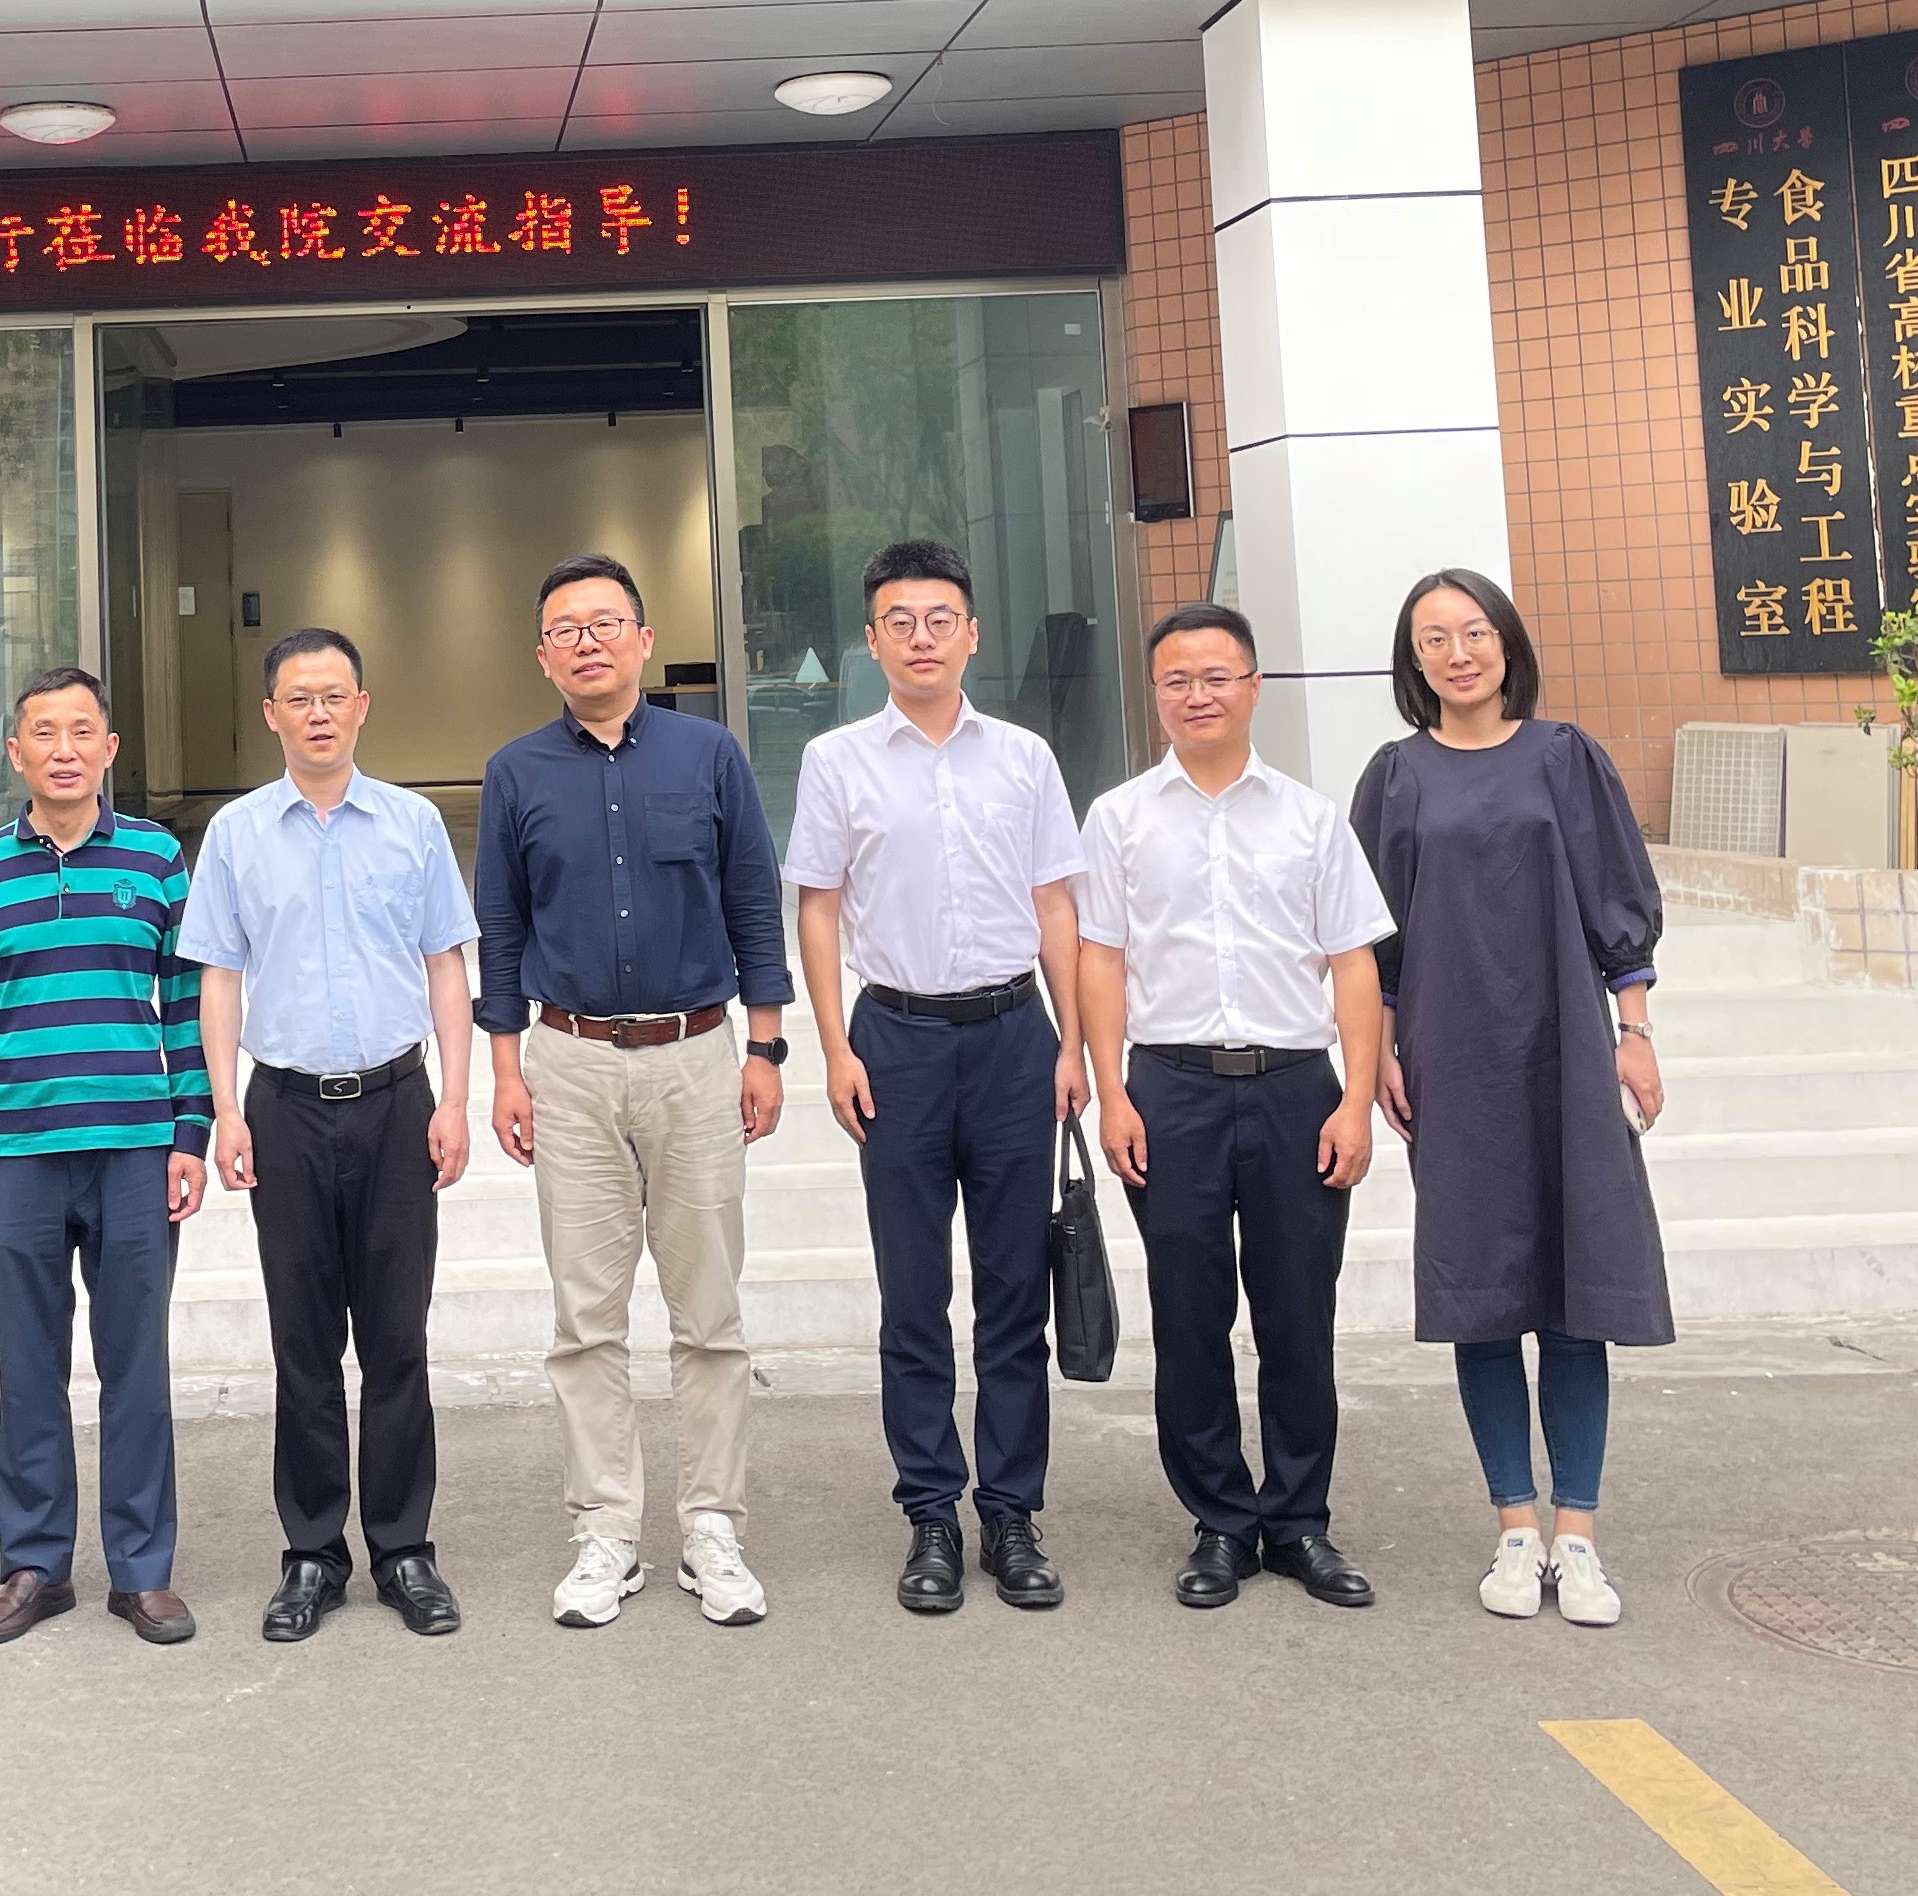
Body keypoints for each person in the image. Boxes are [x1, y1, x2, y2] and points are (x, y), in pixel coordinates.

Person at [1353, 567, 1672, 1632]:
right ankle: (1514, 1526)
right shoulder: (1395, 777)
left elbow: (1616, 903)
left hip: (1566, 1048)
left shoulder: (1564, 757)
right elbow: (1373, 938)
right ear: (1413, 661)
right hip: (1450, 1057)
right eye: (1434, 639)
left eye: (1474, 632)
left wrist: (1634, 1033)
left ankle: (1577, 1535)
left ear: (1506, 643)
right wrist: (1380, 1052)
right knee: (1481, 1293)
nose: (1458, 653)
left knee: (1578, 1291)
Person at [476, 554, 791, 1632]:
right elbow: (502, 929)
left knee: (710, 1314)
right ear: (543, 655)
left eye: (606, 623)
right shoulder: (516, 772)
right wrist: (505, 1071)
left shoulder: (709, 756)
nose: (588, 642)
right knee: (586, 1318)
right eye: (566, 629)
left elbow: (753, 899)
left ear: (645, 641)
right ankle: (606, 1530)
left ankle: (712, 1527)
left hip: (696, 1056)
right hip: (567, 1064)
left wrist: (765, 1047)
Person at [786, 539, 1093, 1617]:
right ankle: (930, 1512)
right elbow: (818, 905)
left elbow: (1056, 905)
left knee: (1015, 1294)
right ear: (871, 642)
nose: (922, 638)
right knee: (913, 1297)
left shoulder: (1024, 758)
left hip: (1013, 1038)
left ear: (972, 633)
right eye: (900, 621)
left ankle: (1010, 1514)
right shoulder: (836, 762)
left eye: (940, 619)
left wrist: (1073, 1043)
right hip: (897, 1044)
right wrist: (835, 1046)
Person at [1071, 602, 1392, 1615]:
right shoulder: (1119, 818)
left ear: (1254, 687)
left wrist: (1355, 1102)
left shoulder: (1310, 818)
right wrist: (1114, 1092)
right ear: (1155, 693)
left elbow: (1354, 963)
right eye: (1177, 680)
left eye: (1217, 677)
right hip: (1169, 1089)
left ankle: (1298, 1521)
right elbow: (1099, 960)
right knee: (1191, 1313)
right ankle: (1218, 1520)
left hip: (1298, 1088)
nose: (1197, 695)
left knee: (1299, 1312)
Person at [181, 627, 476, 1645]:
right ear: (271, 714)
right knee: (302, 1342)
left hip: (397, 1103)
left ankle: (403, 1549)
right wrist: (225, 1108)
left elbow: (446, 964)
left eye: (334, 695)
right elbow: (219, 976)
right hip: (285, 1108)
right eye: (298, 697)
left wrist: (454, 1098)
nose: (317, 712)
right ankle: (312, 1553)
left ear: (362, 706)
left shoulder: (413, 823)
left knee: (397, 1338)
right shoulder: (235, 834)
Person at [0, 666, 211, 1648]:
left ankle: (143, 1572)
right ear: (16, 753)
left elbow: (186, 1007)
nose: (63, 749)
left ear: (109, 748)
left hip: (133, 1150)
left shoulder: (157, 858)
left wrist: (191, 1131)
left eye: (82, 731)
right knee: (28, 1369)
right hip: (11, 1155)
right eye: (43, 732)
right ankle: (35, 1566)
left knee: (137, 1368)